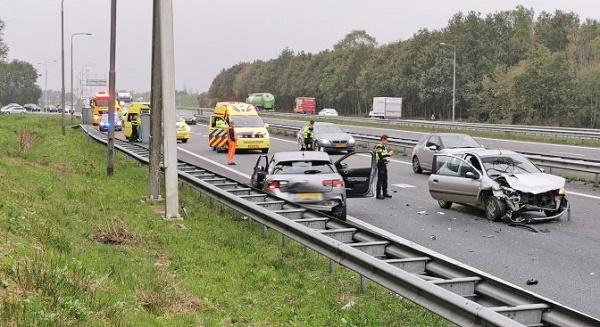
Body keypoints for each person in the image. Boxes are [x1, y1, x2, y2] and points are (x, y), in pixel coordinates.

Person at [375, 134, 394, 199]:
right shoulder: (379, 146)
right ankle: (378, 194)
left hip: (384, 164)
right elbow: (381, 156)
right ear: (383, 140)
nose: (387, 142)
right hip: (380, 164)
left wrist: (388, 155)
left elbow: (384, 155)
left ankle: (385, 193)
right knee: (380, 179)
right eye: (387, 140)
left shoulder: (383, 146)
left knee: (385, 179)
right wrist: (389, 154)